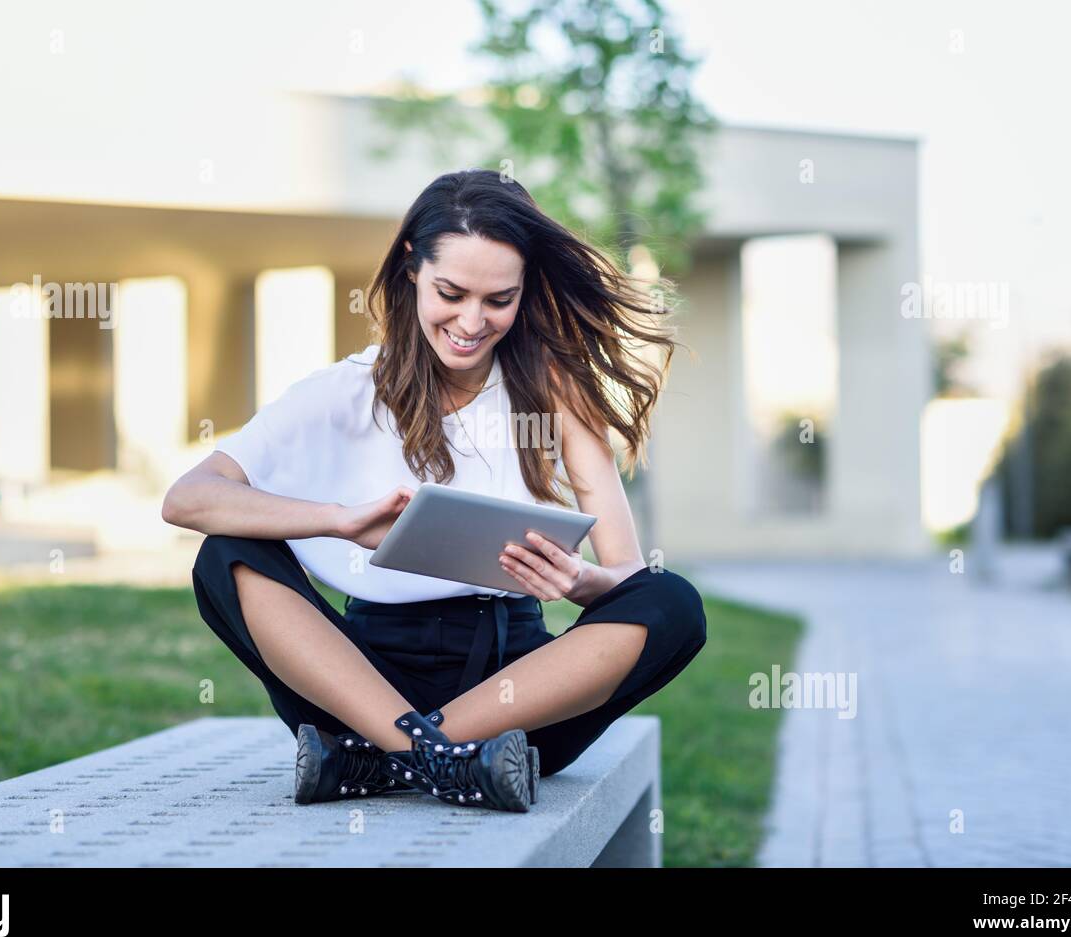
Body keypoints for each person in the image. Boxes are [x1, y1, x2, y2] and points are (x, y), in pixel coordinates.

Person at [163, 168, 709, 813]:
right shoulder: (344, 391)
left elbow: (624, 572)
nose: (472, 321)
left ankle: (385, 761)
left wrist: (576, 581)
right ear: (411, 269)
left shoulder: (559, 394)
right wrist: (336, 521)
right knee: (226, 553)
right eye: (452, 292)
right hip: (364, 685)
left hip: (515, 695)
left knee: (671, 601)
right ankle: (435, 758)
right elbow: (188, 499)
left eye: (498, 300)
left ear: (525, 290)